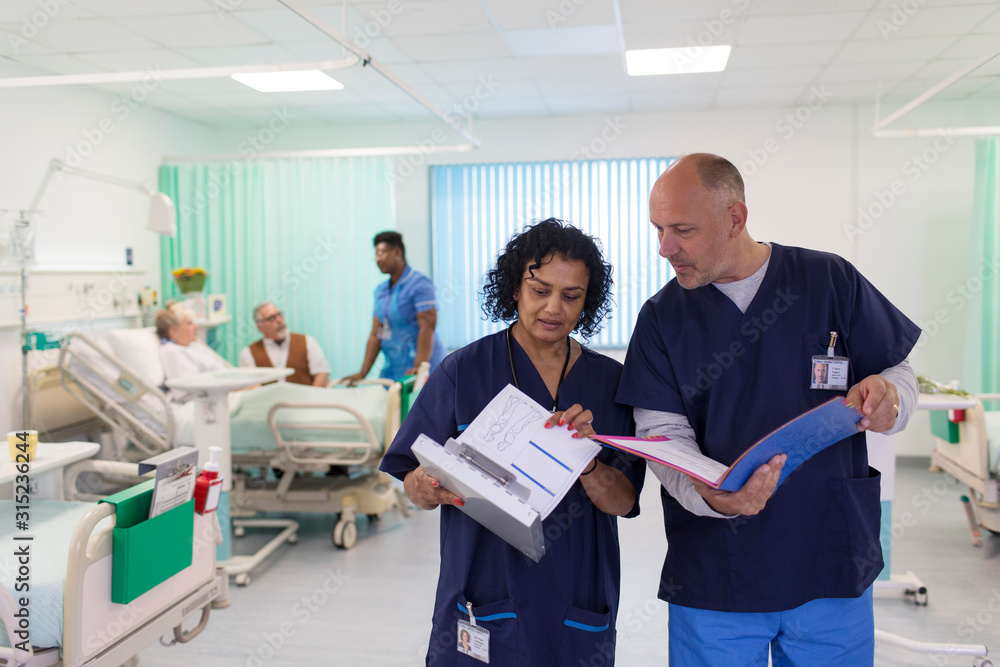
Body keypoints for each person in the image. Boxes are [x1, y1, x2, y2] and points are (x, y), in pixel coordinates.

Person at [615, 153, 921, 665]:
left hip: (830, 558)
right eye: (659, 230)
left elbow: (897, 371)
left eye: (683, 230)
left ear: (735, 219)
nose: (665, 248)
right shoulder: (661, 318)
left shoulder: (828, 280)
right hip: (718, 572)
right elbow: (661, 435)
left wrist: (892, 400)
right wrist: (713, 497)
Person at [380, 219, 646, 666]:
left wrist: (587, 461)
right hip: (482, 589)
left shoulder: (609, 383)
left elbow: (623, 501)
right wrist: (423, 486)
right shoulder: (463, 371)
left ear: (588, 300)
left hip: (575, 593)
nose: (553, 308)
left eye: (571, 296)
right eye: (540, 290)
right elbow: (412, 481)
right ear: (515, 288)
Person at [344, 231, 446, 383]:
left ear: (397, 252)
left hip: (422, 365)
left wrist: (419, 367)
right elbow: (375, 335)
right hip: (394, 366)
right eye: (376, 255)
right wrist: (363, 373)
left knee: (418, 396)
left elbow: (427, 327)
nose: (377, 259)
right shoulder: (380, 291)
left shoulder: (420, 284)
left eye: (381, 253)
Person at [237, 301, 331, 386]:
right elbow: (250, 386)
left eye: (279, 315)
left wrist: (312, 397)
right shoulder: (248, 353)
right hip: (269, 400)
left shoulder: (308, 342)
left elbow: (322, 374)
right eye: (272, 318)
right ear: (260, 325)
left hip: (306, 399)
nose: (279, 320)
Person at [157, 302, 230, 404]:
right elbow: (188, 393)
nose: (196, 327)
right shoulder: (172, 351)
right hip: (216, 399)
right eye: (189, 323)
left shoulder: (193, 346)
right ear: (174, 330)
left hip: (227, 391)